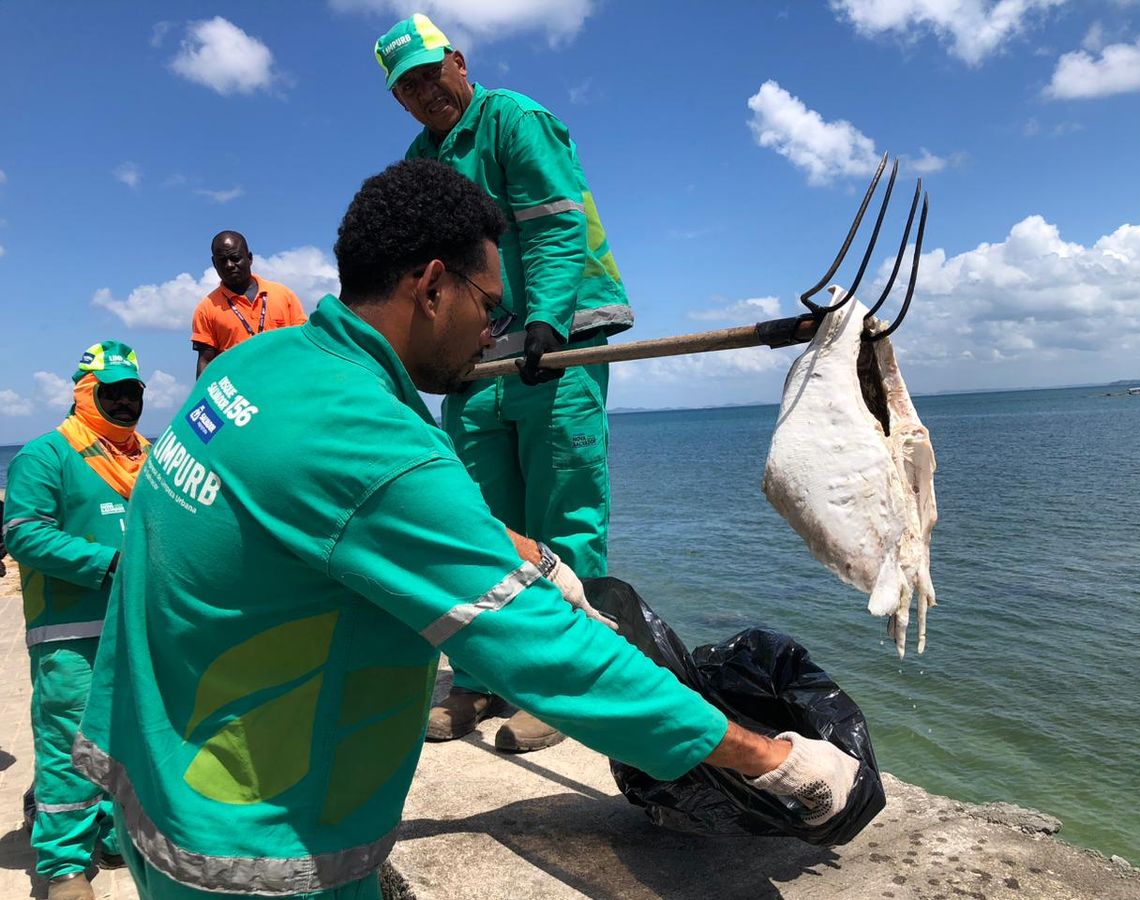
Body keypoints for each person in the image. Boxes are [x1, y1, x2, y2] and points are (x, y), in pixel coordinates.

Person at [74, 161, 862, 899]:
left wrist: (532, 558)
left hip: (153, 782)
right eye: (490, 306)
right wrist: (773, 761)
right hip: (255, 845)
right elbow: (546, 655)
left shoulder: (260, 367)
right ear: (431, 286)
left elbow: (340, 521)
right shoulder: (373, 439)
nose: (494, 333)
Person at [375, 14, 633, 751]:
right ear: (399, 100)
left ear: (459, 61)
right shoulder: (419, 161)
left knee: (565, 514)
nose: (428, 93)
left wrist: (548, 318)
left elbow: (556, 224)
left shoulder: (513, 119)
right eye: (410, 87)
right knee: (482, 525)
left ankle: (566, 688)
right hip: (478, 360)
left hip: (560, 343)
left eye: (432, 74)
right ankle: (484, 679)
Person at [3, 341, 150, 900]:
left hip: (134, 628)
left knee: (123, 742)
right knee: (69, 746)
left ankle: (112, 834)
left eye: (132, 392)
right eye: (110, 392)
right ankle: (64, 864)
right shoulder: (47, 455)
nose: (123, 403)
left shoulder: (148, 455)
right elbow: (23, 533)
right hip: (70, 634)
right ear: (86, 394)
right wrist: (107, 562)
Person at [192, 230, 308, 377]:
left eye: (235, 258)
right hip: (239, 394)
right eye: (222, 260)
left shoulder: (283, 295)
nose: (229, 265)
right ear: (214, 263)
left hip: (283, 384)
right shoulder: (206, 309)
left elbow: (303, 343)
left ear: (250, 258)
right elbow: (205, 362)